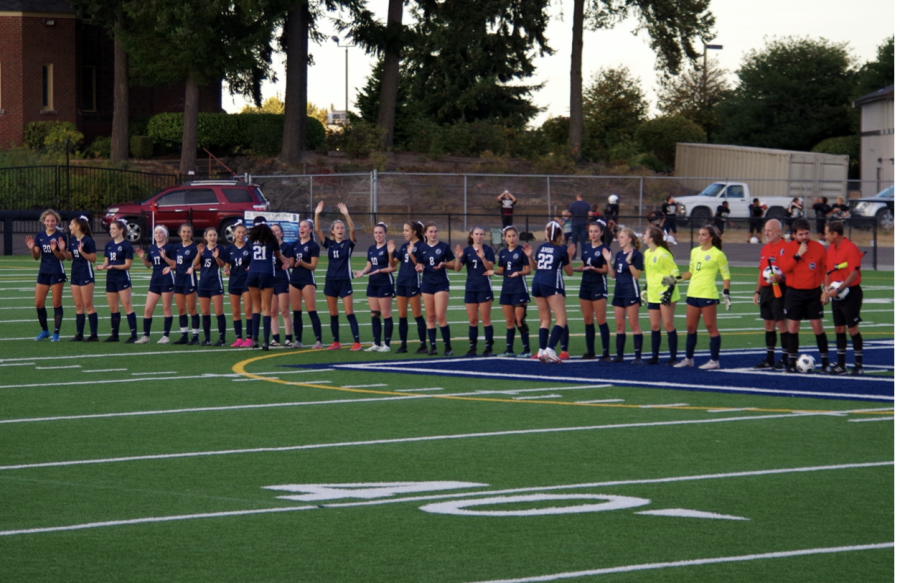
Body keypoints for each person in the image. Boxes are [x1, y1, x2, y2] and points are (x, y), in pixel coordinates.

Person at [671, 225, 731, 370]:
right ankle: (688, 359)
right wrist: (674, 279)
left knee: (711, 327)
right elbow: (691, 272)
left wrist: (726, 292)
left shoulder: (718, 254)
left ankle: (714, 361)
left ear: (711, 237)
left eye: (703, 234)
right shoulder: (695, 251)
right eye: (699, 234)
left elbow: (726, 275)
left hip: (708, 294)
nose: (700, 237)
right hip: (693, 293)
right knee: (690, 327)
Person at [776, 218, 829, 373]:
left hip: (813, 292)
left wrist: (825, 290)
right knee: (792, 327)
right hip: (793, 292)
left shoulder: (819, 248)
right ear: (794, 235)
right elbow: (783, 268)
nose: (804, 237)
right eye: (801, 234)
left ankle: (825, 361)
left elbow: (825, 271)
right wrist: (797, 255)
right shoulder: (787, 248)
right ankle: (792, 362)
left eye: (806, 233)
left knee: (817, 327)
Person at [314, 201, 361, 351]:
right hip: (331, 282)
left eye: (342, 227)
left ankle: (357, 343)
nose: (341, 229)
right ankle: (336, 342)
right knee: (333, 314)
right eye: (337, 228)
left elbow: (353, 230)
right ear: (333, 231)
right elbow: (317, 229)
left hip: (344, 281)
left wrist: (346, 215)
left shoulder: (348, 244)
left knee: (349, 313)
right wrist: (317, 214)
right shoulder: (329, 244)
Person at [525, 221, 574, 363]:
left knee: (545, 320)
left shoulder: (541, 247)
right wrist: (569, 256)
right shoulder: (562, 249)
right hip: (552, 283)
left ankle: (541, 350)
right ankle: (550, 348)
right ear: (560, 234)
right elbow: (569, 272)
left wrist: (529, 256)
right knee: (562, 320)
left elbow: (535, 267)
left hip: (537, 283)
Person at [823, 220, 865, 375]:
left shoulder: (851, 248)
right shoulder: (832, 248)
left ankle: (859, 365)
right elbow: (829, 271)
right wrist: (826, 290)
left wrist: (839, 289)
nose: (825, 236)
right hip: (836, 293)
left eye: (827, 233)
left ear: (835, 234)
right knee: (839, 328)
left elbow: (853, 274)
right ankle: (841, 365)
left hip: (851, 293)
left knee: (853, 329)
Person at [485, 226, 531, 358]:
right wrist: (493, 271)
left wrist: (519, 272)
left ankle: (526, 350)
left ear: (517, 236)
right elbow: (502, 270)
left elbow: (528, 270)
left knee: (520, 320)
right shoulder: (503, 252)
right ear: (504, 238)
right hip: (506, 290)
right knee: (509, 321)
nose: (511, 238)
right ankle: (509, 350)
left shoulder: (522, 251)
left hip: (519, 289)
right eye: (509, 236)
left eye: (513, 236)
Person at [415, 222, 458, 355]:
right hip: (427, 284)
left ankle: (447, 347)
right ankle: (432, 346)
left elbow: (454, 265)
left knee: (440, 316)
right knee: (430, 316)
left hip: (441, 283)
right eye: (431, 232)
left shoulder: (443, 246)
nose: (433, 234)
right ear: (425, 233)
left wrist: (444, 264)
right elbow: (419, 263)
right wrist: (419, 267)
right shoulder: (422, 247)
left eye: (435, 231)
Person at [602, 227, 644, 363]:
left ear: (629, 239)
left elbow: (637, 276)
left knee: (634, 324)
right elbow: (613, 275)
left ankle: (638, 357)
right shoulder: (619, 254)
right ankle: (619, 355)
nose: (618, 239)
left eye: (621, 237)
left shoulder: (637, 254)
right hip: (619, 292)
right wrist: (608, 261)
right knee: (619, 326)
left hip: (631, 292)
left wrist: (630, 262)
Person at [752, 219, 790, 370]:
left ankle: (785, 358)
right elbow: (761, 272)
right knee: (768, 324)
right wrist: (757, 291)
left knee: (781, 323)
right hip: (766, 290)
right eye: (765, 230)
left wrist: (782, 278)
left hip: (780, 289)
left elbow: (791, 270)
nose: (766, 233)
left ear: (778, 231)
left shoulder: (787, 248)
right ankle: (769, 359)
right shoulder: (765, 249)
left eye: (769, 230)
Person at [25, 209, 67, 341]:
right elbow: (36, 257)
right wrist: (32, 248)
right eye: (48, 220)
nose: (50, 223)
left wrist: (55, 250)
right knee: (38, 303)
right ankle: (45, 331)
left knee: (56, 303)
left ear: (56, 221)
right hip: (43, 271)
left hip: (56, 271)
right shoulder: (40, 236)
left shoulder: (61, 236)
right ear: (44, 221)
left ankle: (56, 333)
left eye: (53, 220)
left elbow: (62, 258)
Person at [354, 222, 396, 352]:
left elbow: (393, 267)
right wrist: (363, 271)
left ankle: (387, 345)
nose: (378, 235)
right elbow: (369, 265)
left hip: (385, 283)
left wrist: (380, 270)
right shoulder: (371, 249)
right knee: (374, 314)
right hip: (372, 284)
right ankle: (376, 343)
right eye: (376, 232)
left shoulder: (389, 248)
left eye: (380, 232)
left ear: (385, 234)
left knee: (386, 314)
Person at [454, 226, 496, 356]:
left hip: (484, 287)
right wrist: (458, 258)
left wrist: (483, 258)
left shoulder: (488, 250)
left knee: (485, 319)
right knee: (472, 319)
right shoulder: (466, 250)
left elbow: (490, 268)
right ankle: (473, 348)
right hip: (471, 288)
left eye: (481, 234)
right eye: (476, 234)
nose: (479, 236)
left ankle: (488, 348)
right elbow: (457, 269)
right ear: (471, 235)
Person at [642, 226, 680, 365]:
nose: (643, 236)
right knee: (654, 325)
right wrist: (645, 289)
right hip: (653, 294)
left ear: (651, 238)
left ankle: (673, 357)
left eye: (645, 234)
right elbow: (651, 274)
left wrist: (668, 291)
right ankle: (655, 356)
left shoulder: (663, 254)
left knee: (668, 325)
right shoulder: (647, 253)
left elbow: (676, 274)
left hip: (665, 293)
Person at [573, 219, 610, 361]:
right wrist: (573, 268)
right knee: (587, 319)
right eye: (591, 231)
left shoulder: (604, 248)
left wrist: (595, 269)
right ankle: (590, 352)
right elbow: (583, 265)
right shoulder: (586, 247)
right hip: (585, 285)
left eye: (596, 231)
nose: (593, 234)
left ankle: (606, 353)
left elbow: (606, 270)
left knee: (600, 320)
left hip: (598, 285)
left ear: (601, 233)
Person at [97, 219, 138, 342]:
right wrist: (103, 266)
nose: (111, 230)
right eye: (111, 228)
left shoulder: (126, 246)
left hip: (122, 278)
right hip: (111, 278)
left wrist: (114, 266)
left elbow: (127, 265)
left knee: (127, 306)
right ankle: (115, 335)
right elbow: (106, 262)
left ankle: (133, 335)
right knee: (113, 308)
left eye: (114, 228)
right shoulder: (108, 245)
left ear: (121, 230)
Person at [134, 225, 176, 344]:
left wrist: (165, 257)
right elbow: (149, 265)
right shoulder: (152, 247)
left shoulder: (170, 247)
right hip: (155, 280)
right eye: (156, 233)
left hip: (167, 280)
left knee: (166, 308)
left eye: (160, 233)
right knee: (148, 309)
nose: (158, 235)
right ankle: (146, 336)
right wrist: (142, 258)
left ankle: (166, 336)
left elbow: (174, 264)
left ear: (165, 235)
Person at [390, 221, 428, 354]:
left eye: (406, 230)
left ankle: (423, 345)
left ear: (414, 232)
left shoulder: (422, 246)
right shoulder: (404, 245)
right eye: (404, 230)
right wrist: (390, 253)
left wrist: (412, 254)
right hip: (401, 282)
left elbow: (420, 266)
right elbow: (393, 264)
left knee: (417, 315)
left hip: (413, 283)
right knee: (402, 315)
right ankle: (403, 345)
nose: (404, 233)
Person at [246, 217, 283, 350]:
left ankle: (255, 339)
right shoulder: (271, 239)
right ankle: (266, 340)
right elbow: (277, 254)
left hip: (253, 272)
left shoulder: (250, 240)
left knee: (256, 307)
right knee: (266, 308)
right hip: (267, 272)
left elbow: (248, 256)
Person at [60, 215, 98, 342]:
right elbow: (69, 257)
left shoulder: (88, 240)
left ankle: (94, 335)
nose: (69, 227)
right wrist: (63, 250)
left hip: (86, 274)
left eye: (71, 224)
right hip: (75, 274)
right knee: (78, 305)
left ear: (78, 226)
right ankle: (79, 334)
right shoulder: (72, 240)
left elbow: (93, 259)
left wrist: (82, 253)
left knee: (88, 304)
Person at [289, 219, 323, 349]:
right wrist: (286, 261)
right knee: (296, 311)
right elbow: (292, 263)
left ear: (310, 230)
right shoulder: (294, 245)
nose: (302, 229)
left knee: (311, 310)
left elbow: (313, 266)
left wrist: (302, 263)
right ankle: (298, 340)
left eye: (305, 227)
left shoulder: (313, 246)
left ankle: (318, 340)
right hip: (294, 280)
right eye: (300, 227)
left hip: (307, 280)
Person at [193, 227, 227, 346]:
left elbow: (222, 265)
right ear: (205, 237)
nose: (213, 237)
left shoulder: (220, 248)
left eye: (214, 235)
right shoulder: (202, 248)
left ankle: (222, 339)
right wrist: (199, 253)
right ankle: (207, 338)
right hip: (203, 283)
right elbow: (196, 264)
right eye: (210, 235)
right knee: (205, 312)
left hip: (215, 283)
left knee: (218, 312)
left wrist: (217, 257)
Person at [224, 221, 253, 348]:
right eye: (238, 232)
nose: (241, 234)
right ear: (234, 233)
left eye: (243, 232)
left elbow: (255, 261)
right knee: (235, 311)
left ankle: (249, 338)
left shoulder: (249, 246)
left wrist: (251, 266)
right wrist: (226, 270)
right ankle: (238, 338)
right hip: (234, 281)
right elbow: (227, 265)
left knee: (248, 310)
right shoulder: (229, 248)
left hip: (246, 281)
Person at [172, 223, 200, 345]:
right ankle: (184, 336)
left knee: (192, 309)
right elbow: (174, 264)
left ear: (191, 233)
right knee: (181, 309)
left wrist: (193, 268)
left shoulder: (195, 248)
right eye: (183, 231)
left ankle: (195, 336)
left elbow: (199, 265)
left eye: (188, 232)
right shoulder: (177, 247)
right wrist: (169, 267)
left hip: (189, 281)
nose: (186, 234)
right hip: (178, 280)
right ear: (179, 233)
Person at [268, 224, 294, 347]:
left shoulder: (286, 247)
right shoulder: (267, 247)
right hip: (271, 280)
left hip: (283, 280)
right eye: (272, 231)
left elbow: (290, 262)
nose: (274, 233)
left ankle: (288, 338)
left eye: (276, 230)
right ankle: (275, 338)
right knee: (273, 311)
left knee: (284, 310)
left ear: (281, 233)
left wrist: (284, 260)